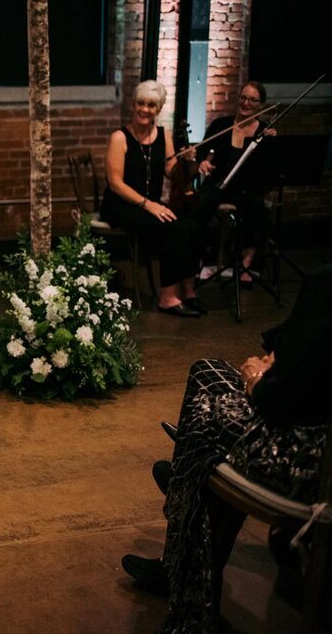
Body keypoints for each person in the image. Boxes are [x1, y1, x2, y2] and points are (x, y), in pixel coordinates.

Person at [121, 265, 332, 632]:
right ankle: (184, 486)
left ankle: (187, 592)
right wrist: (278, 358)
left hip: (306, 462)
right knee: (206, 375)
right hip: (314, 443)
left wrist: (255, 379)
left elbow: (279, 401)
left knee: (205, 421)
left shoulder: (327, 285)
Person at [102, 80, 205, 318]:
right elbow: (116, 184)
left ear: (158, 110)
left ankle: (188, 290)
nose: (144, 109)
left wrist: (185, 162)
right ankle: (168, 296)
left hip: (150, 206)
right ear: (133, 105)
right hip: (121, 206)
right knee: (173, 228)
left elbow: (171, 170)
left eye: (151, 105)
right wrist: (149, 205)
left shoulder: (163, 135)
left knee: (191, 226)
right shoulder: (119, 137)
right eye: (140, 103)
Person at [194, 81, 276, 285]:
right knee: (200, 203)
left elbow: (269, 170)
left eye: (252, 99)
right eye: (243, 97)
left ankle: (245, 264)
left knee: (257, 208)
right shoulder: (221, 126)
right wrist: (202, 162)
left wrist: (271, 144)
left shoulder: (264, 133)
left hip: (246, 190)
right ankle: (197, 258)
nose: (246, 103)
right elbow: (202, 153)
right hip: (218, 186)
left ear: (261, 105)